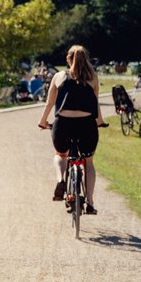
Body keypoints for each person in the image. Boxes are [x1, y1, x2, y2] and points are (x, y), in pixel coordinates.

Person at [38, 44, 105, 215]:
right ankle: (90, 201)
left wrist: (43, 121)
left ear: (68, 59)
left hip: (63, 125)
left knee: (61, 154)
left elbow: (50, 103)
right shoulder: (93, 77)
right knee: (88, 162)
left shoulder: (59, 76)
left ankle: (61, 179)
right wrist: (100, 121)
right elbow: (94, 103)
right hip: (86, 125)